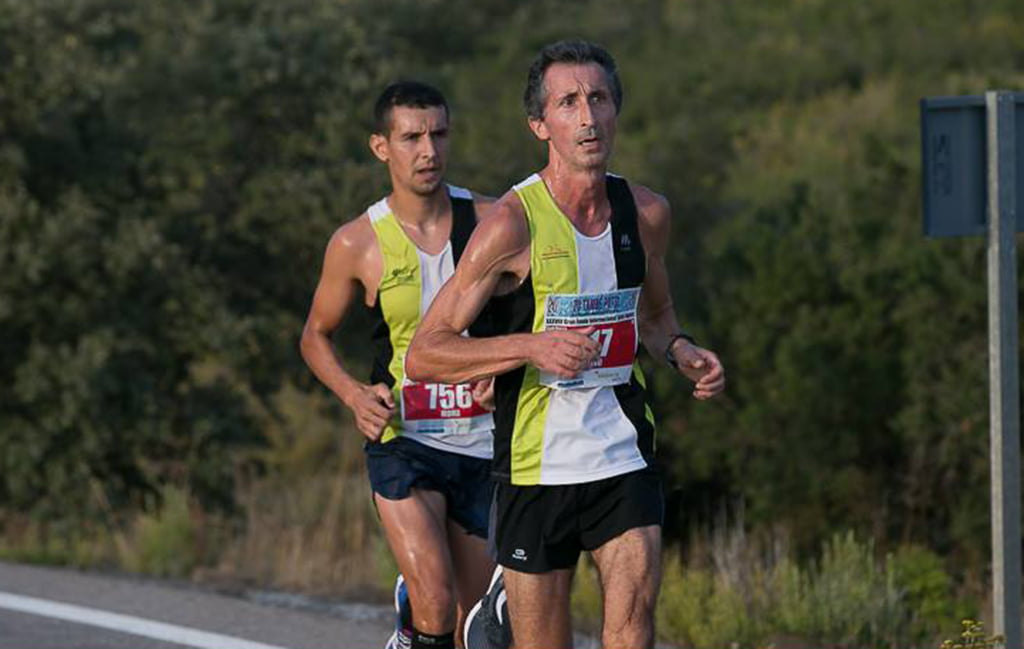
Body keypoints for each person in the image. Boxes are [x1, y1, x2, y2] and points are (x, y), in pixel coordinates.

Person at [406, 40, 726, 649]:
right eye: (569, 103)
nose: (588, 117)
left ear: (615, 111)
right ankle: (499, 606)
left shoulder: (647, 213)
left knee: (632, 632)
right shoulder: (511, 223)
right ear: (540, 125)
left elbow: (656, 317)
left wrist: (683, 351)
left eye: (599, 99)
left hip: (621, 451)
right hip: (536, 464)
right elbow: (427, 352)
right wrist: (531, 347)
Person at [300, 80, 497, 649]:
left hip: (483, 441)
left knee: (473, 625)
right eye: (411, 137)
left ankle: (411, 607)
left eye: (438, 134)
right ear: (381, 146)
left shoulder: (490, 221)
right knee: (437, 600)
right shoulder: (357, 243)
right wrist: (353, 395)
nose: (428, 150)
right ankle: (417, 605)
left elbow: (534, 314)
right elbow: (315, 335)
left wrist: (502, 369)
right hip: (403, 438)